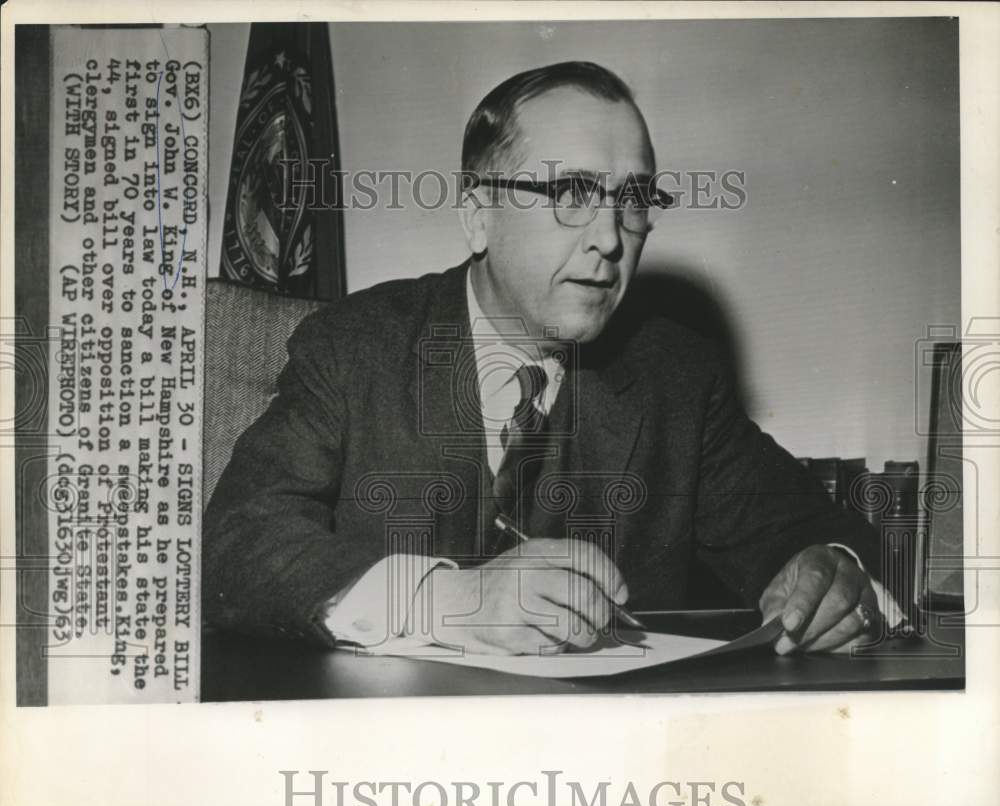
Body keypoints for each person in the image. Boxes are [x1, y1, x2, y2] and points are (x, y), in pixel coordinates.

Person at [204, 61, 900, 658]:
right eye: (571, 193)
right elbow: (235, 546)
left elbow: (821, 537)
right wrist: (450, 600)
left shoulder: (677, 377)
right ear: (478, 213)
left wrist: (833, 580)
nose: (609, 237)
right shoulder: (355, 346)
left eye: (632, 200)